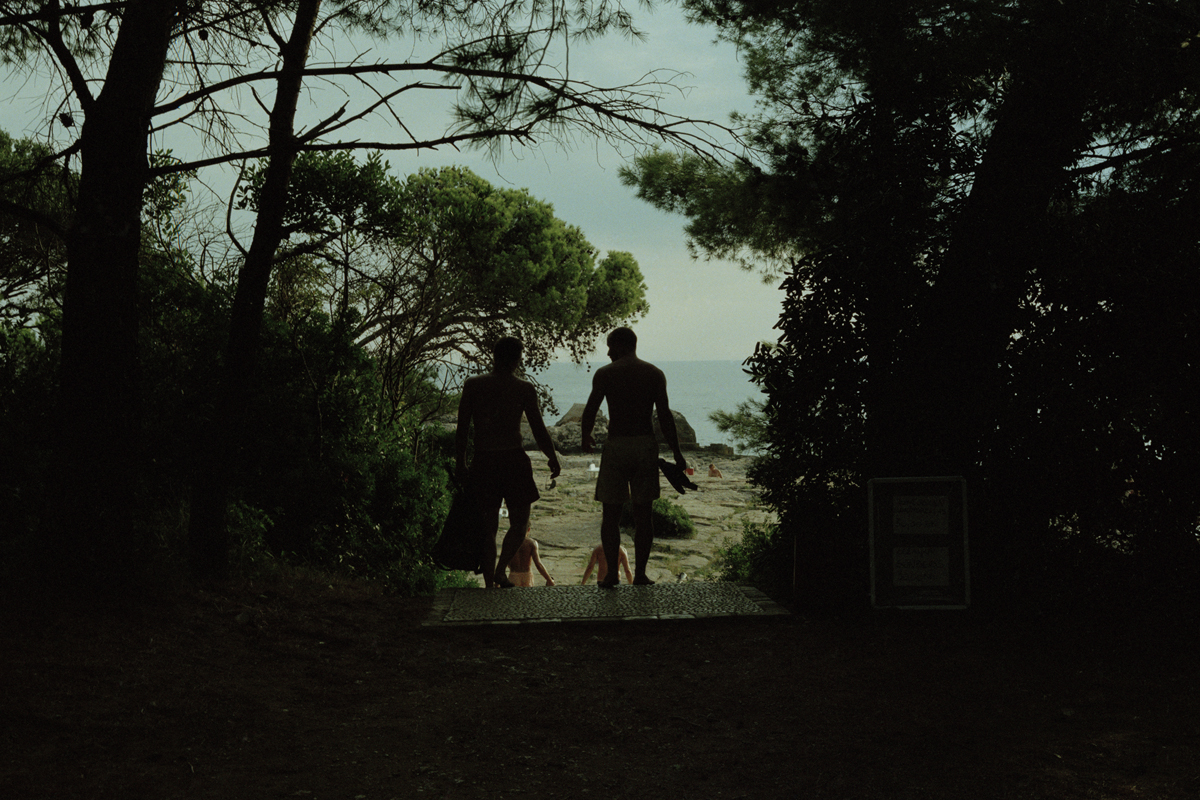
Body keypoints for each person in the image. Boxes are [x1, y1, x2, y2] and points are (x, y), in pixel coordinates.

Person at [581, 327, 687, 586]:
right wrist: (676, 452)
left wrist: (586, 436)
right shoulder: (654, 373)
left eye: (610, 347)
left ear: (620, 345)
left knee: (610, 515)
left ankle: (611, 576)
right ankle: (639, 574)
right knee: (643, 515)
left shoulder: (605, 374)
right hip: (644, 446)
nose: (608, 353)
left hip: (617, 445)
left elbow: (591, 409)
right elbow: (664, 416)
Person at [456, 337, 562, 588]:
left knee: (488, 527)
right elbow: (538, 427)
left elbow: (463, 429)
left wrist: (461, 463)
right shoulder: (523, 388)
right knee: (519, 524)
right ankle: (500, 570)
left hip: (484, 460)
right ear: (517, 360)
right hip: (514, 460)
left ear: (494, 356)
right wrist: (551, 456)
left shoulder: (474, 385)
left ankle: (489, 581)